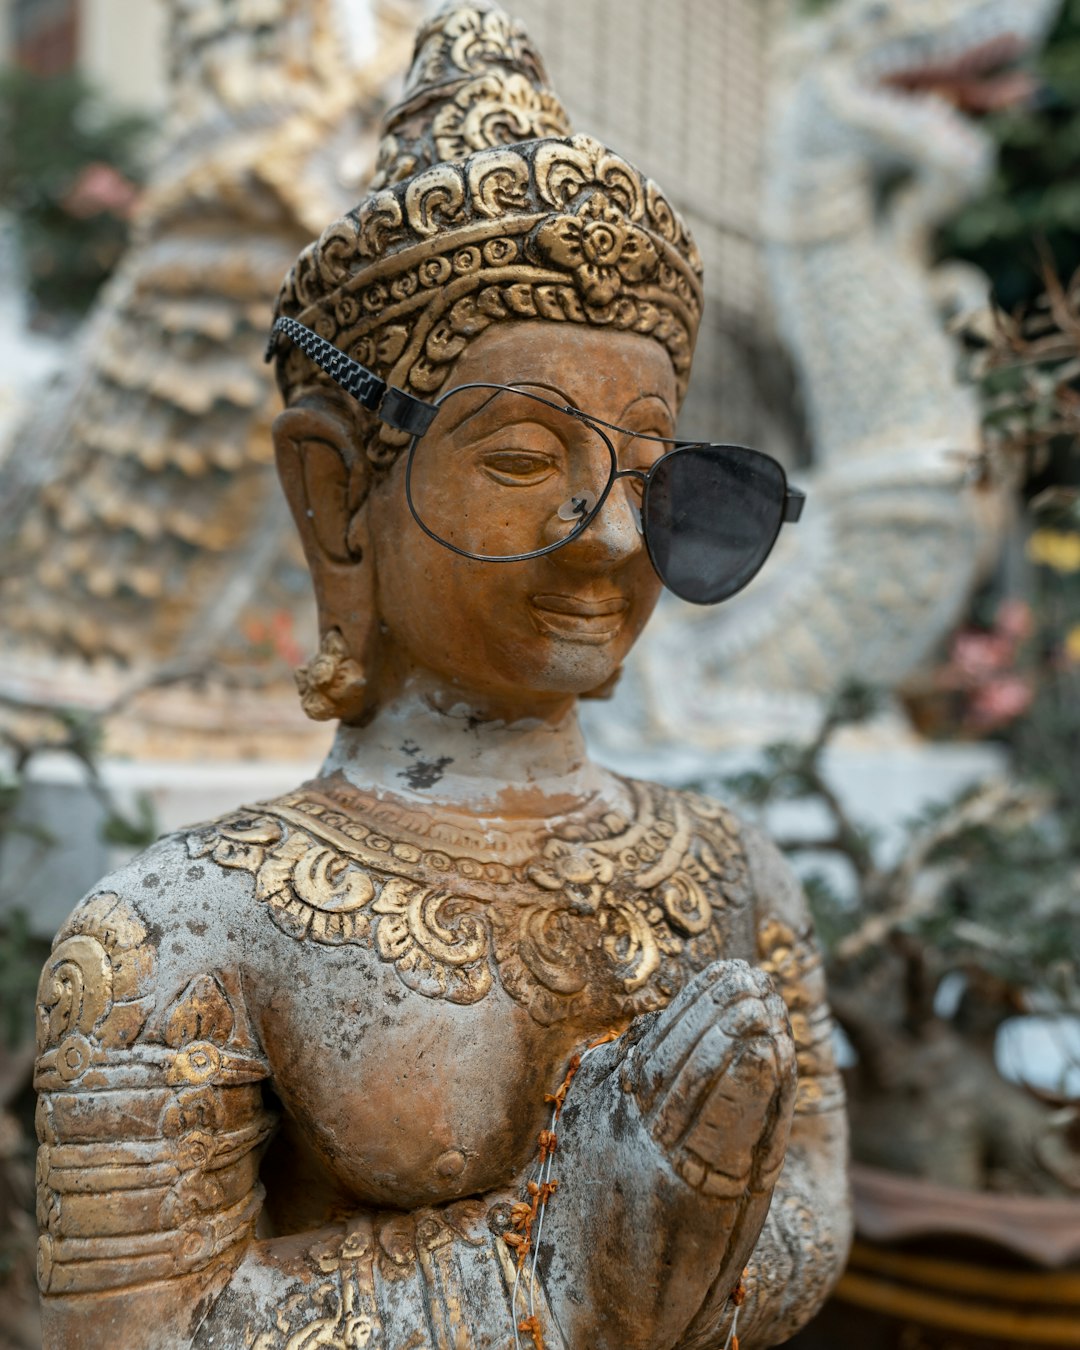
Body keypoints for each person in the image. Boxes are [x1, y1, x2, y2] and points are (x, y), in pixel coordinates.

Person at [34, 5, 850, 1346]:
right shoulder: (181, 927)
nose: (613, 536)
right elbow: (130, 1328)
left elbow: (812, 1196)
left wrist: (688, 1223)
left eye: (652, 476)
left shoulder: (733, 866)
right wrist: (561, 1261)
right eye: (524, 461)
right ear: (336, 495)